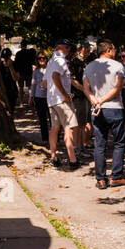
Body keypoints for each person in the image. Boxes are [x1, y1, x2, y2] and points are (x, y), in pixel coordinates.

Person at [83, 39, 125, 188]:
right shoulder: (118, 66)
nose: (116, 52)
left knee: (100, 143)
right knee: (118, 142)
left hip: (97, 108)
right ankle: (115, 176)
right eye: (114, 49)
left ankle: (101, 179)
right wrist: (103, 100)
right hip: (115, 107)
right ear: (109, 50)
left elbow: (86, 88)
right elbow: (118, 88)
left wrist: (95, 100)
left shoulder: (89, 66)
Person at [45, 38, 79, 170]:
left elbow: (44, 82)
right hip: (62, 101)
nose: (69, 50)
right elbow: (55, 76)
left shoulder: (50, 62)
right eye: (68, 48)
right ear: (61, 47)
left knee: (54, 128)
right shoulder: (61, 61)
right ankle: (72, 160)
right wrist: (65, 94)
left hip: (52, 100)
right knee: (69, 128)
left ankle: (53, 157)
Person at [70, 43, 92, 157]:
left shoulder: (88, 61)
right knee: (78, 123)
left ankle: (82, 146)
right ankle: (77, 148)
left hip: (87, 96)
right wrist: (83, 89)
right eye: (86, 47)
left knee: (84, 122)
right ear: (80, 48)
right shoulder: (74, 62)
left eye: (89, 48)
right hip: (78, 95)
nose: (88, 50)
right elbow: (72, 79)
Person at [29, 51, 50, 146]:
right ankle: (45, 138)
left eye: (43, 58)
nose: (41, 60)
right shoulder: (36, 71)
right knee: (42, 119)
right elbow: (33, 85)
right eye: (39, 58)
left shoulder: (50, 70)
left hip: (50, 97)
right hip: (39, 97)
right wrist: (31, 97)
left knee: (53, 119)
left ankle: (56, 138)